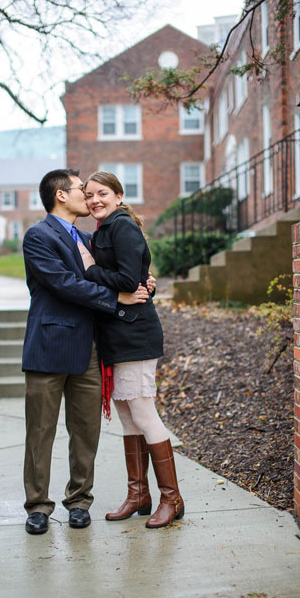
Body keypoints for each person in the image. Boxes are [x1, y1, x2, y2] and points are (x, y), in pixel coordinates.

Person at [21, 168, 151, 536]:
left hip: (89, 349)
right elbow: (64, 284)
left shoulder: (86, 237)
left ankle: (79, 501)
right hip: (48, 346)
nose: (88, 196)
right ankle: (37, 506)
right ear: (61, 195)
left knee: (86, 430)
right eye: (81, 189)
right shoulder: (38, 236)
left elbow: (109, 272)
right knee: (41, 431)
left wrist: (143, 282)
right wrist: (115, 297)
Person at [78, 170, 184, 529]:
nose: (95, 200)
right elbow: (135, 278)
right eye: (89, 195)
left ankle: (172, 498)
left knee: (142, 411)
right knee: (127, 416)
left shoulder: (121, 226)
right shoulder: (104, 229)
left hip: (136, 333)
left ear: (119, 195)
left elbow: (127, 281)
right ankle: (138, 494)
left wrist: (90, 270)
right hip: (118, 334)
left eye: (102, 193)